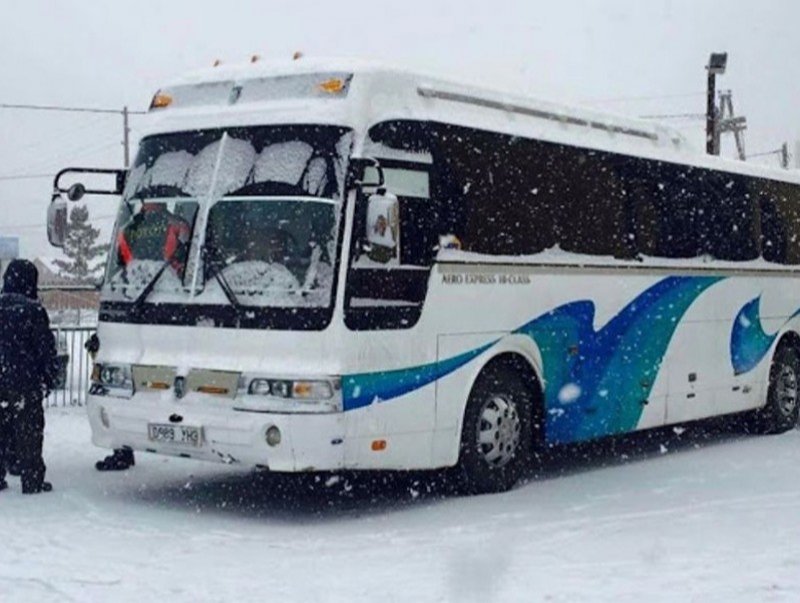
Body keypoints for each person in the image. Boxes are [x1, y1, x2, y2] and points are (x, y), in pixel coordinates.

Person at [96, 203, 191, 472]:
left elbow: (121, 263)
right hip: (171, 300)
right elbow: (185, 263)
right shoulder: (178, 223)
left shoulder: (129, 228)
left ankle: (122, 446)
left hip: (134, 301)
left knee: (128, 384)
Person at [0, 259, 58, 494]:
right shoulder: (33, 311)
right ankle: (31, 478)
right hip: (25, 382)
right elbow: (45, 348)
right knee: (29, 432)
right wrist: (49, 376)